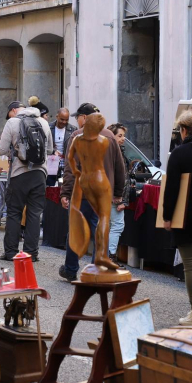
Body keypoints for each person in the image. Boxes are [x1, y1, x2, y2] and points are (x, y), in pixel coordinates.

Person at [58, 103, 125, 280]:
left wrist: (65, 192)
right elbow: (120, 167)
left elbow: (71, 168)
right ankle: (98, 270)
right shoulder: (110, 136)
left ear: (85, 118)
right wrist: (118, 192)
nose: (77, 120)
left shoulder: (78, 136)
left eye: (78, 116)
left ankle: (71, 270)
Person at [163, 110, 192, 325]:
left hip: (187, 214)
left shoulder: (180, 153)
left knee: (190, 263)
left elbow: (171, 188)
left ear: (183, 130)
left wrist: (167, 216)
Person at [0, 106, 53, 261]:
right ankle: (31, 253)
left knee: (14, 212)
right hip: (40, 174)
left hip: (19, 173)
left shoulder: (12, 122)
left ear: (17, 112)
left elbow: (1, 148)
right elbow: (50, 150)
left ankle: (11, 252)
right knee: (34, 213)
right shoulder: (44, 122)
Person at [106, 123, 131, 264]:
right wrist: (120, 198)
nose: (122, 139)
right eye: (119, 136)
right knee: (117, 225)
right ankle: (111, 256)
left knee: (110, 225)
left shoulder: (111, 151)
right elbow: (120, 178)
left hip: (111, 195)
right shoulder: (115, 153)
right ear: (112, 136)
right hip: (115, 197)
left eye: (124, 136)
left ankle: (107, 256)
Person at [48, 107, 76, 186]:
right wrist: (53, 151)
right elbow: (45, 144)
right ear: (57, 117)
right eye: (62, 119)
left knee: (66, 183)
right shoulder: (48, 127)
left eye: (66, 120)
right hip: (51, 160)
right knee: (51, 184)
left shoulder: (73, 129)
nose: (64, 122)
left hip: (66, 160)